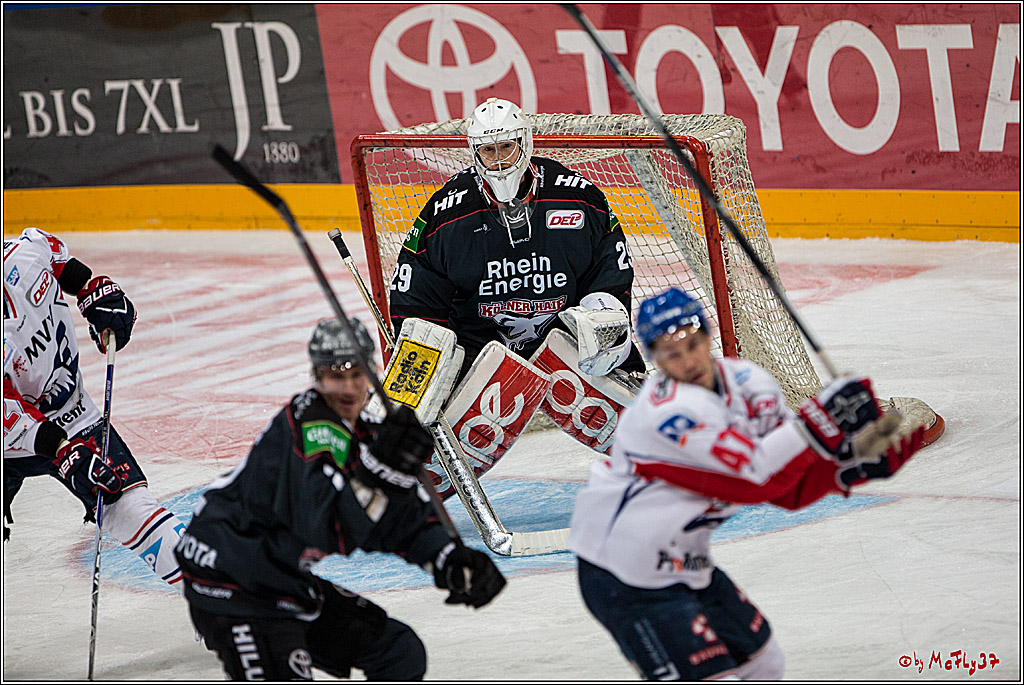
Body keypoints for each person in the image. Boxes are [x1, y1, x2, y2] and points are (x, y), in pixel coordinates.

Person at [566, 287, 925, 681]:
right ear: (655, 359)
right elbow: (754, 478)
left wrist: (848, 463)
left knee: (765, 665)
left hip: (687, 562)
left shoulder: (750, 384)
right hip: (622, 570)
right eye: (672, 353)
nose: (688, 361)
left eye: (693, 344)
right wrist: (822, 420)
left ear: (707, 337)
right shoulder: (662, 415)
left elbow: (784, 489)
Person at [175, 317, 506, 681]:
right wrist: (380, 473)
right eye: (335, 375)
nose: (348, 388)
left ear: (374, 372)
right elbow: (323, 527)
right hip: (232, 580)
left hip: (281, 577)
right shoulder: (309, 429)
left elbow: (400, 519)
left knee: (398, 652)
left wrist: (447, 556)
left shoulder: (364, 432)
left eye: (356, 372)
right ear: (317, 376)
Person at [387, 97, 647, 495]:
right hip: (480, 356)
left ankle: (665, 450)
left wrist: (605, 318)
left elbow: (610, 275)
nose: (499, 160)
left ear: (525, 143)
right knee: (411, 390)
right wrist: (421, 378)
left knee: (606, 329)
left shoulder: (577, 196)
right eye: (488, 150)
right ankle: (397, 488)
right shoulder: (446, 212)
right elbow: (415, 301)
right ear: (475, 153)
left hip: (566, 343)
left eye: (506, 146)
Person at [3, 226, 186, 588]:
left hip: (71, 411)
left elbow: (55, 254)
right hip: (13, 437)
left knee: (129, 505)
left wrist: (92, 290)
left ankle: (220, 603)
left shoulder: (22, 255)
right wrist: (61, 451)